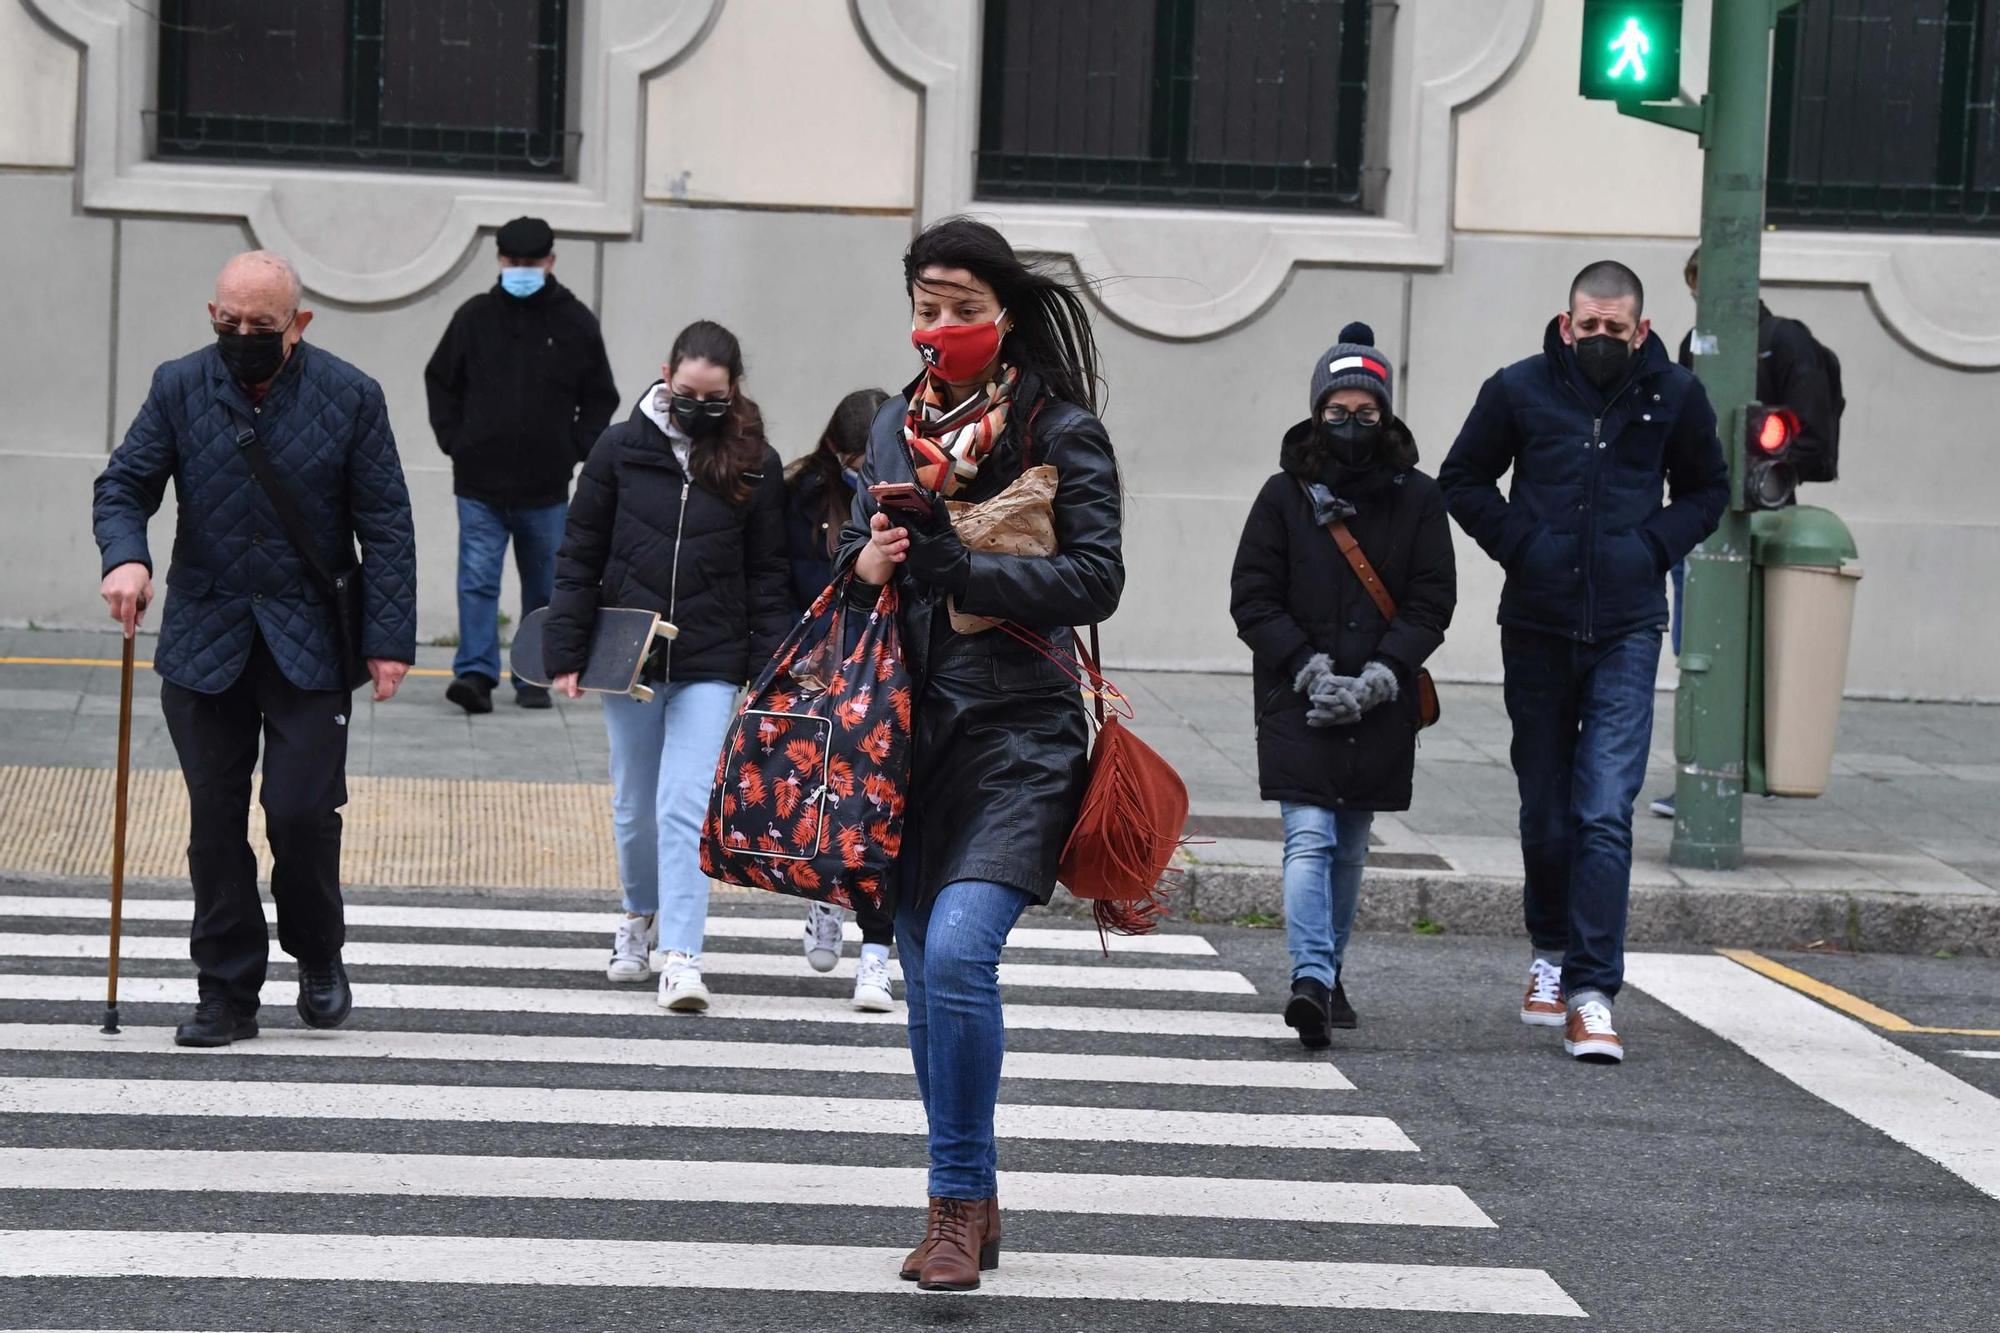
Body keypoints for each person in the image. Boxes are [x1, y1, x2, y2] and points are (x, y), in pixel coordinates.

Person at [843, 216, 1122, 1290]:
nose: (940, 328)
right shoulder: (886, 427)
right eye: (926, 307)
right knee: (921, 977)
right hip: (906, 736)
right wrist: (868, 555)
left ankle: (954, 1205)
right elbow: (846, 559)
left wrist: (961, 567)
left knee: (959, 954)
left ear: (1001, 315)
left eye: (961, 309)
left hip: (1019, 734)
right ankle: (973, 1187)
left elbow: (1095, 578)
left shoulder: (1060, 430)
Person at [92, 250, 417, 1048]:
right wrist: (125, 555)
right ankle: (226, 992)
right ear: (212, 315)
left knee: (300, 812)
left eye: (260, 326)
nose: (241, 335)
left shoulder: (350, 396)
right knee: (214, 823)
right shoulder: (179, 385)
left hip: (308, 637)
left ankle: (317, 951)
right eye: (227, 321)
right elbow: (125, 484)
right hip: (206, 637)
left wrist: (387, 641)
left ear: (297, 325)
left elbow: (387, 526)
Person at [1438, 260, 1728, 1065]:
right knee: (1547, 805)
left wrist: (1649, 548)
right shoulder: (1519, 388)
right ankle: (1550, 948)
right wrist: (1522, 546)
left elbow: (1709, 488)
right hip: (1535, 622)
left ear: (1641, 328)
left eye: (1617, 327)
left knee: (1605, 806)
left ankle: (1593, 992)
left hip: (1628, 627)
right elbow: (1462, 477)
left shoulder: (1674, 394)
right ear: (1568, 324)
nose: (1602, 338)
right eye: (1588, 326)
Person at [543, 320, 790, 1011]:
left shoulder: (754, 462)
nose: (699, 406)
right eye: (687, 392)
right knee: (634, 808)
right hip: (630, 656)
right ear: (665, 376)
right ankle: (637, 914)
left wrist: (770, 669)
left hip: (712, 660)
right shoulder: (620, 449)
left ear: (733, 391)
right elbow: (580, 552)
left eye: (714, 397)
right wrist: (566, 648)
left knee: (684, 806)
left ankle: (682, 955)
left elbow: (768, 576)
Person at [1230, 322, 1456, 1049]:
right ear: (1316, 409)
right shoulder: (1282, 495)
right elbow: (1253, 596)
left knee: (1352, 844)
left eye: (1366, 412)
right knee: (1309, 836)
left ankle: (1329, 972)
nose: (1351, 425)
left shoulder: (1420, 498)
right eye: (1337, 411)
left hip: (1380, 703)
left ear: (1386, 414)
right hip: (1299, 697)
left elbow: (1431, 600)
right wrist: (1309, 668)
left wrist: (1382, 676)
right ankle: (1310, 979)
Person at [1650, 245, 1842, 817]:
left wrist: (1751, 468)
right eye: (1695, 289)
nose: (1702, 301)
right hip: (1697, 522)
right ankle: (1705, 771)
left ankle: (1722, 773)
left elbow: (1810, 440)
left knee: (1746, 652)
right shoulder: (1694, 343)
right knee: (1696, 651)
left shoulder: (1785, 341)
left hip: (1758, 521)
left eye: (1707, 287)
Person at [425, 215, 620, 715]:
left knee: (545, 584)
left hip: (546, 486)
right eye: (513, 262)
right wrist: (455, 442)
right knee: (477, 579)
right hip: (477, 482)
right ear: (500, 261)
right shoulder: (474, 317)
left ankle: (534, 673)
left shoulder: (575, 322)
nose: (521, 270)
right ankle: (474, 673)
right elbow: (440, 380)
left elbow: (601, 397)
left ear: (550, 262)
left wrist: (572, 449)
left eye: (531, 263)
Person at [783, 386, 899, 1011]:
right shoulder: (803, 495)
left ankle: (876, 955)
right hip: (821, 672)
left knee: (880, 810)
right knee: (828, 800)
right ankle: (825, 896)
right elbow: (787, 578)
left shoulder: (910, 496)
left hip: (890, 675)